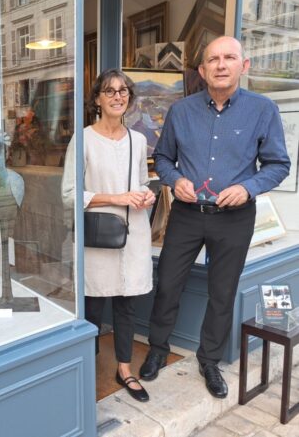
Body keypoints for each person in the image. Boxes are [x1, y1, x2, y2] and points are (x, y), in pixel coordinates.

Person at [139, 36, 290, 399]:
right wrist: (175, 181)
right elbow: (162, 159)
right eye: (213, 59)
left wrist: (249, 188)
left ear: (244, 65)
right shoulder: (181, 111)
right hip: (187, 215)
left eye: (229, 58)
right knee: (168, 284)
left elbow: (278, 164)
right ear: (202, 70)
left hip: (235, 218)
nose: (221, 65)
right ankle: (158, 349)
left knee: (222, 293)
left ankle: (209, 360)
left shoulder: (262, 109)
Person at [62, 69, 156, 402]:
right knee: (94, 307)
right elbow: (70, 193)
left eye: (123, 91)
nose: (118, 96)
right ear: (98, 99)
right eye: (109, 91)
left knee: (127, 304)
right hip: (99, 236)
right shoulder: (83, 138)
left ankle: (125, 370)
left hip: (133, 233)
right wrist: (115, 197)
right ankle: (85, 370)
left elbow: (142, 183)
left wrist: (147, 195)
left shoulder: (139, 140)